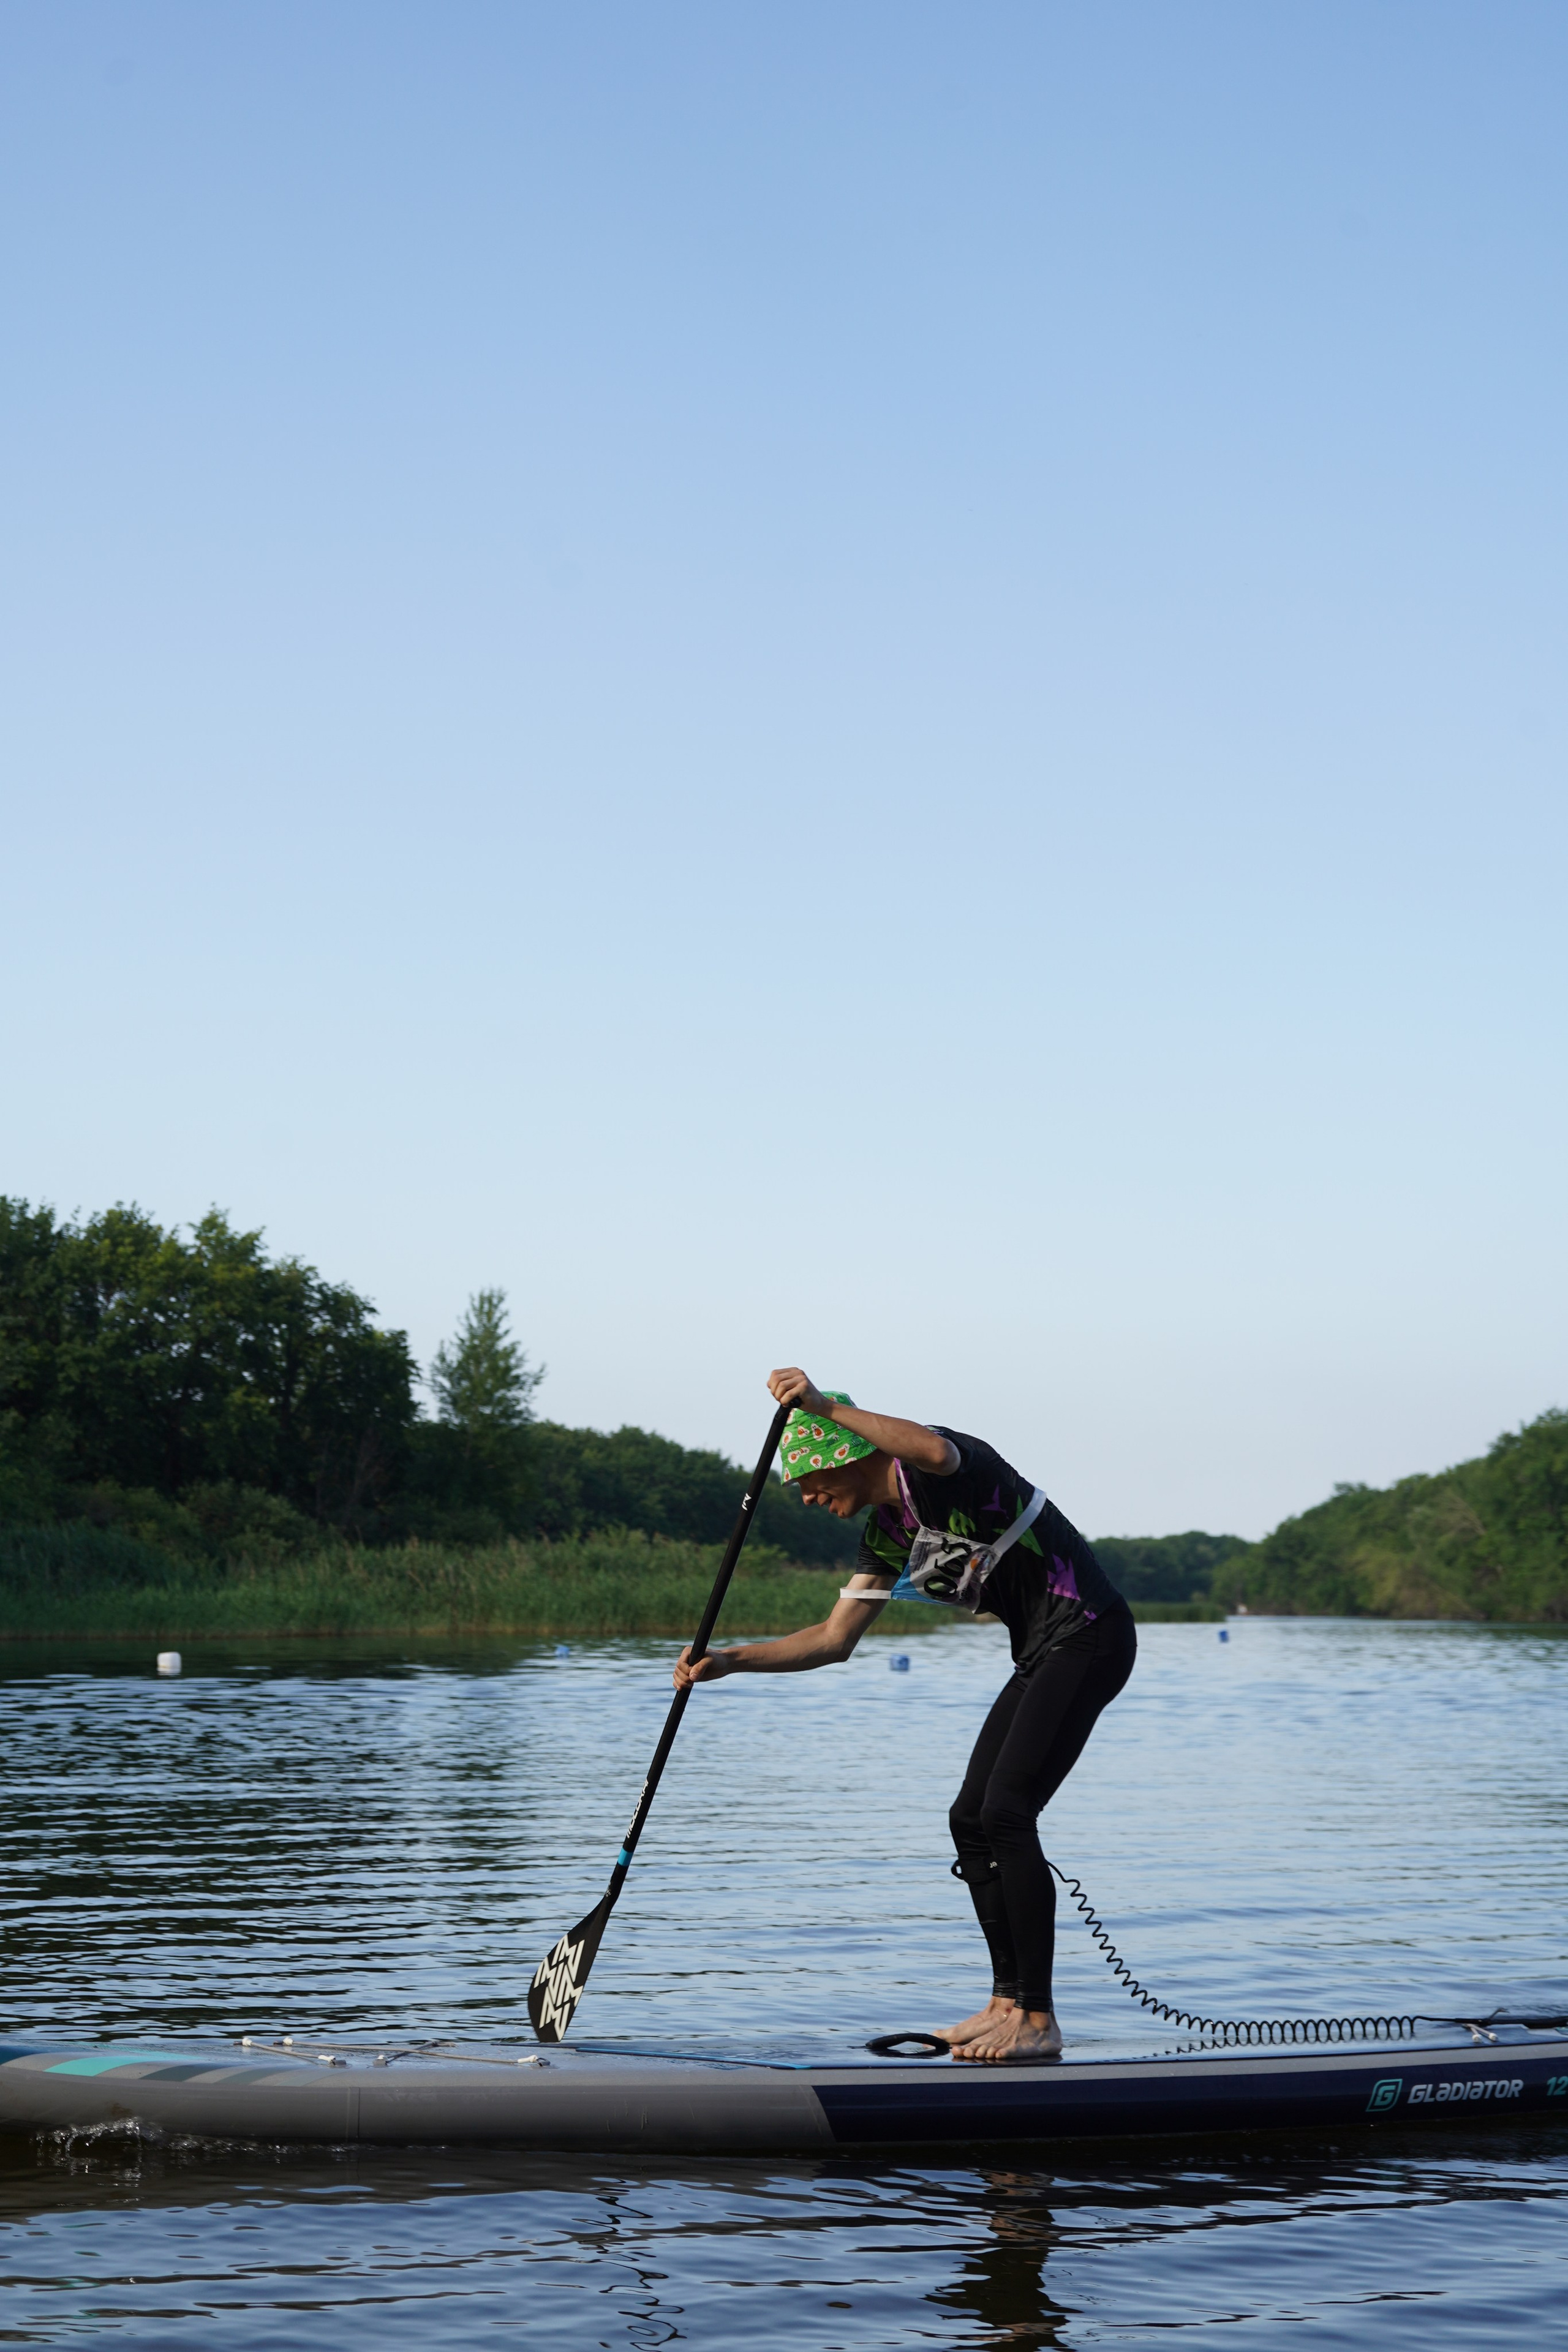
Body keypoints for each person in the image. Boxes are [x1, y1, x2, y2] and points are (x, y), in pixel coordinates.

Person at [673, 1368, 1136, 2061]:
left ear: (846, 1454)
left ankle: (1038, 2022)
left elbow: (929, 1449)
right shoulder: (887, 1534)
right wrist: (732, 1660)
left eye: (807, 1480)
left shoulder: (944, 1468)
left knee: (1007, 1811)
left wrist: (824, 1405)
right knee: (969, 1818)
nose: (804, 1498)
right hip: (1041, 1653)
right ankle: (1005, 2001)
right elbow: (832, 1641)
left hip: (1090, 1635)